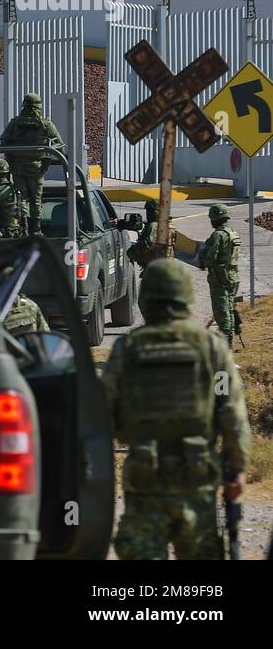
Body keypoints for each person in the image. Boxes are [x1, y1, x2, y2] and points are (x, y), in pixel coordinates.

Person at [101, 258, 251, 559]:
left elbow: (102, 414)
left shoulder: (128, 348)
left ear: (146, 297)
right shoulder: (211, 346)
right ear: (185, 296)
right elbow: (232, 414)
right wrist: (237, 470)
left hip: (144, 474)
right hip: (197, 475)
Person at [0, 92, 64, 235]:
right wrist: (47, 158)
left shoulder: (14, 124)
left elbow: (3, 141)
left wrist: (12, 154)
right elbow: (60, 145)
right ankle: (36, 229)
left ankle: (23, 228)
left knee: (21, 198)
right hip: (37, 168)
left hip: (17, 167)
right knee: (36, 199)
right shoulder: (46, 125)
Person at [198, 204, 241, 348]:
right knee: (229, 309)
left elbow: (210, 258)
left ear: (215, 218)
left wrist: (203, 259)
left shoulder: (218, 235)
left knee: (222, 314)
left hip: (220, 278)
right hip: (232, 277)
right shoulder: (232, 232)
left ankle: (225, 347)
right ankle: (229, 341)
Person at [127, 197, 176, 272]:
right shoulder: (169, 225)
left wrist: (131, 252)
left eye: (149, 211)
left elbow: (146, 246)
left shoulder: (154, 226)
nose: (147, 213)